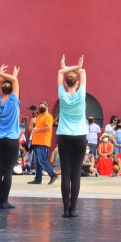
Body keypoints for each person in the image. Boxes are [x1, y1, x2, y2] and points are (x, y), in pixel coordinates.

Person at [57, 55, 88, 218]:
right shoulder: (81, 95)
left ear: (65, 83)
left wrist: (65, 66)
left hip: (63, 136)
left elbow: (61, 72)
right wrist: (78, 66)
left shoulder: (62, 95)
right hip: (79, 137)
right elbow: (82, 72)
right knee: (76, 173)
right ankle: (73, 209)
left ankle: (65, 209)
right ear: (76, 83)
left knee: (66, 172)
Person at [0, 64, 21, 209]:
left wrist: (2, 74)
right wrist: (12, 76)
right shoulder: (13, 101)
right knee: (8, 171)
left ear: (1, 89)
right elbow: (15, 82)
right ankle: (5, 201)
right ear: (12, 89)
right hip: (11, 139)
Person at [28, 101, 56, 185]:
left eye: (42, 106)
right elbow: (30, 129)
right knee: (36, 162)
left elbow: (48, 127)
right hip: (35, 141)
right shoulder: (38, 117)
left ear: (47, 107)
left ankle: (53, 175)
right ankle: (38, 178)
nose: (40, 108)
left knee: (42, 161)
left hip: (43, 142)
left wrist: (38, 130)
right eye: (39, 106)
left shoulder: (48, 116)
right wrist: (32, 121)